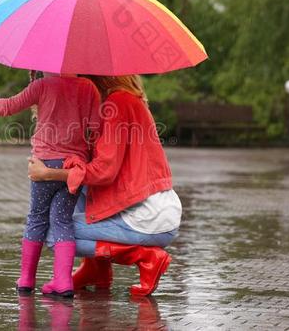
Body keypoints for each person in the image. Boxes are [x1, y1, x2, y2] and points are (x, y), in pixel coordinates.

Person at [28, 75, 181, 296]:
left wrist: (49, 173)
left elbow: (104, 172)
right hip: (155, 209)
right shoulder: (125, 101)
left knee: (53, 232)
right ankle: (95, 269)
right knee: (77, 190)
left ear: (93, 79)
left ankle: (145, 257)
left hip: (147, 218)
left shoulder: (116, 104)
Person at [0, 72, 100, 297]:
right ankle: (63, 281)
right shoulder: (89, 87)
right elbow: (95, 126)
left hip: (44, 163)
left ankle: (26, 279)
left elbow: (9, 106)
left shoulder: (42, 85)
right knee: (62, 221)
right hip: (72, 167)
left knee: (37, 218)